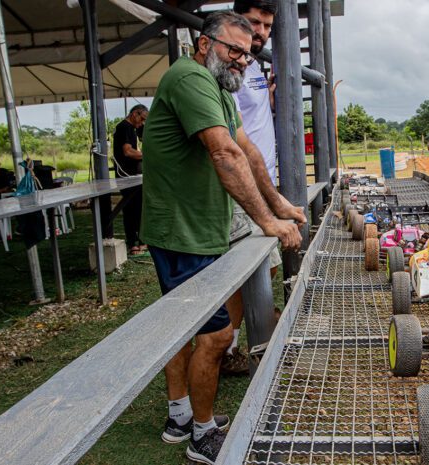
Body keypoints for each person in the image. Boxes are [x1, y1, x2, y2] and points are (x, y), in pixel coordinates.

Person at [140, 11, 305, 464]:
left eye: (248, 55)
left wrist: (279, 204)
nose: (241, 61)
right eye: (233, 49)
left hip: (197, 226)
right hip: (180, 231)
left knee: (185, 328)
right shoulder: (191, 78)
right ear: (203, 43)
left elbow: (246, 146)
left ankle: (180, 416)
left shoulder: (217, 85)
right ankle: (201, 433)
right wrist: (269, 223)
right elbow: (225, 152)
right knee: (214, 337)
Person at [220, 0, 280, 376]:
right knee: (245, 270)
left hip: (263, 182)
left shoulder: (253, 65)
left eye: (267, 26)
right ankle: (225, 345)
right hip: (245, 185)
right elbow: (234, 136)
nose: (260, 31)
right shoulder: (229, 68)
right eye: (254, 22)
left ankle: (229, 343)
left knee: (263, 268)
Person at [112, 104, 148, 255]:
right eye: (142, 119)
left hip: (129, 176)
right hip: (128, 176)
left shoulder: (129, 128)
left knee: (132, 208)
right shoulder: (125, 127)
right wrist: (148, 155)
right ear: (135, 113)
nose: (142, 123)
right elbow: (127, 152)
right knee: (134, 209)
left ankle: (135, 242)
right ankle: (135, 242)